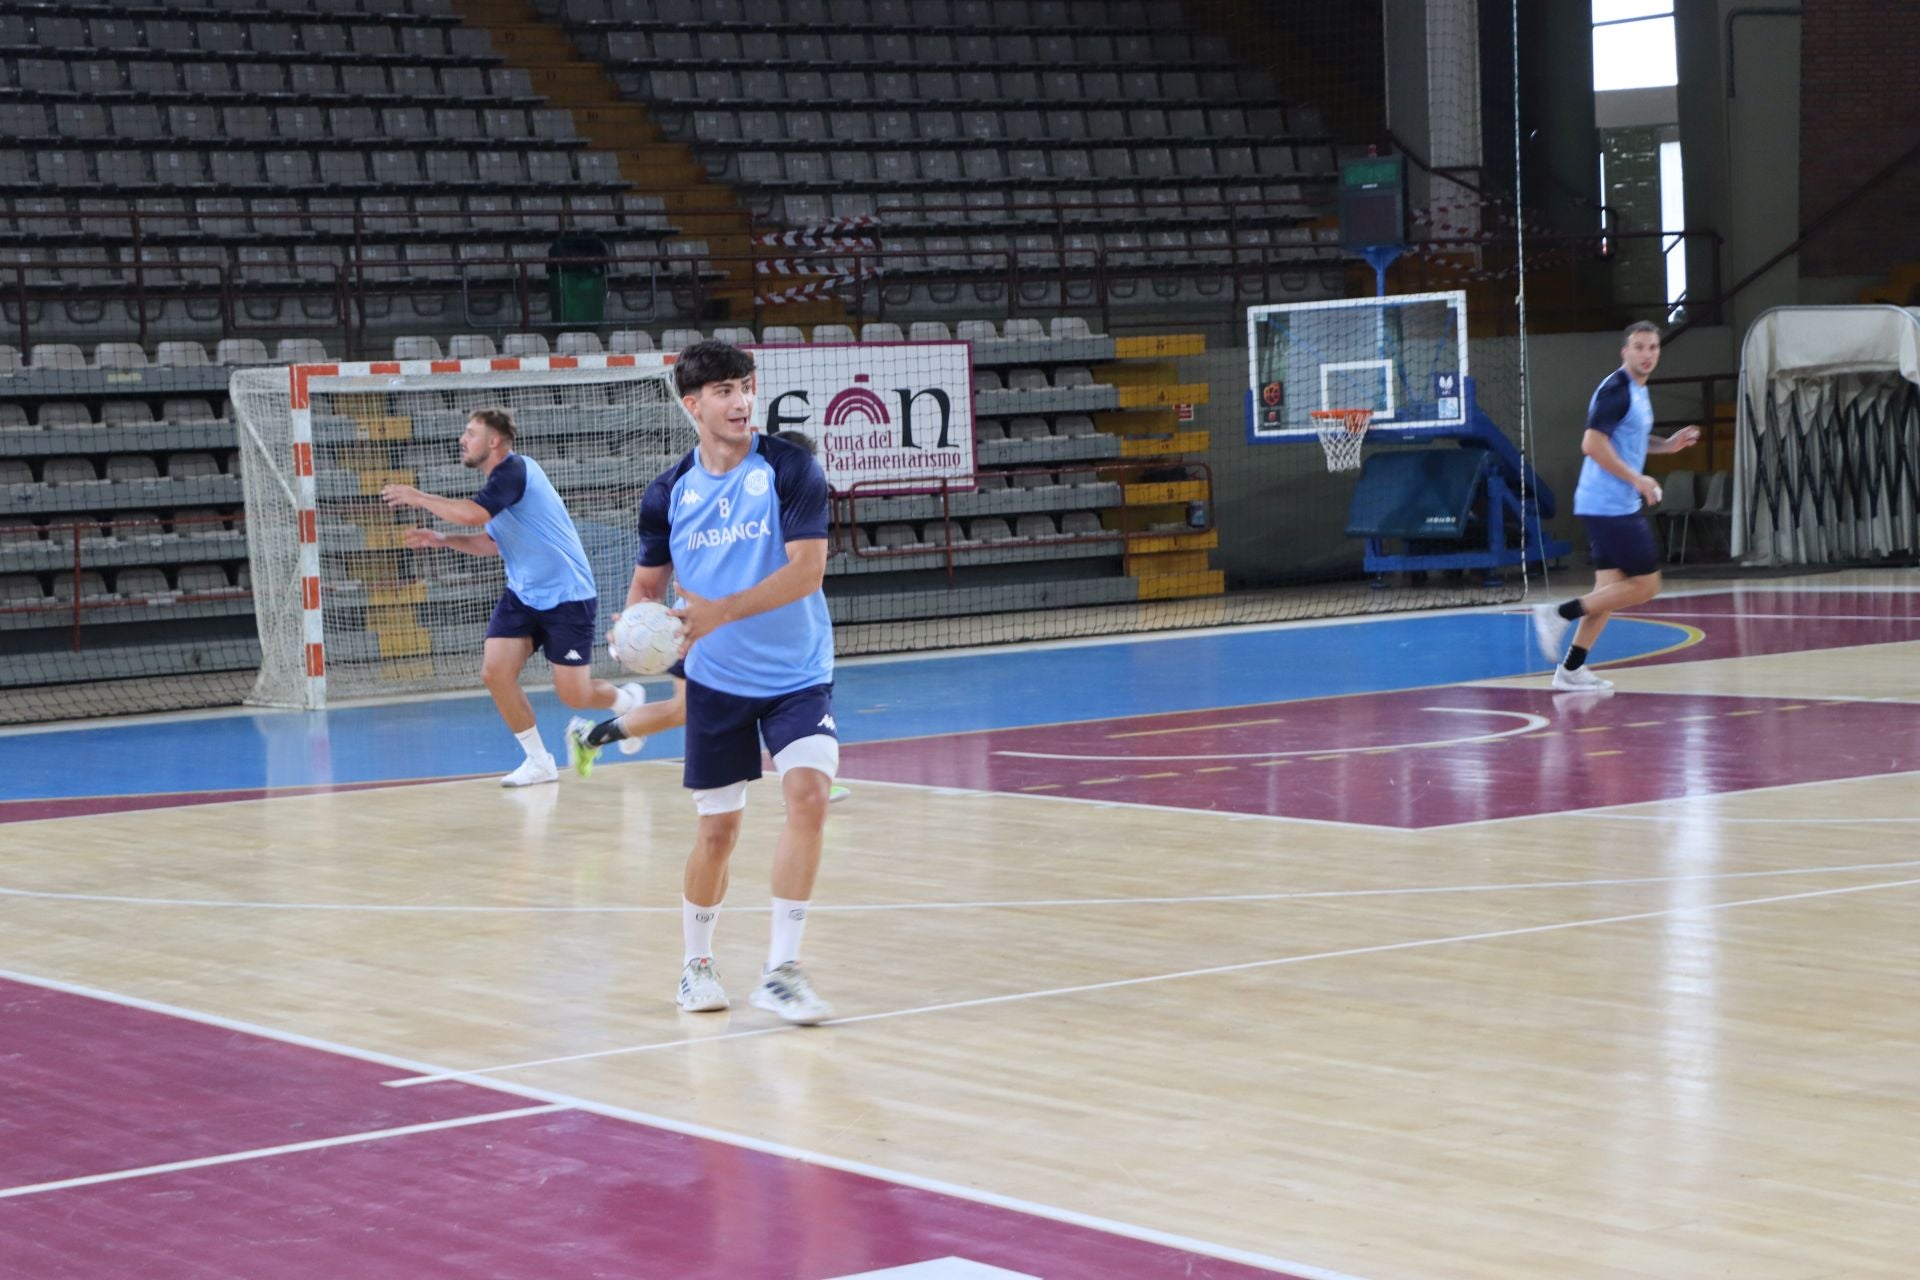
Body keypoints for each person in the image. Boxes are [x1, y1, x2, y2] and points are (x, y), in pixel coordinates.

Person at [623, 342, 840, 1025]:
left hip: (798, 672)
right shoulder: (667, 494)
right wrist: (632, 627)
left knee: (808, 796)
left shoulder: (790, 468)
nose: (741, 401)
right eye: (723, 391)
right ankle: (696, 964)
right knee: (718, 832)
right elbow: (647, 587)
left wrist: (718, 612)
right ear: (693, 405)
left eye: (746, 386)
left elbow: (808, 572)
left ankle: (781, 969)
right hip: (716, 682)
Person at [564, 429, 850, 801]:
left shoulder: (796, 510)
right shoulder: (716, 496)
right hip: (698, 635)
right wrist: (635, 624)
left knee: (697, 707)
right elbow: (654, 580)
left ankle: (811, 773)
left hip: (762, 640)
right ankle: (590, 736)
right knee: (682, 710)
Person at [381, 407, 645, 786]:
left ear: (494, 441)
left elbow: (474, 515)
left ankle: (626, 702)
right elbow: (492, 543)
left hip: (567, 596)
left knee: (575, 694)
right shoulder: (495, 488)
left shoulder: (515, 471)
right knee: (495, 672)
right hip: (523, 594)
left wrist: (417, 497)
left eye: (471, 433)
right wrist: (442, 540)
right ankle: (539, 761)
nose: (462, 439)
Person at [1531, 322, 1701, 690]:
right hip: (1609, 504)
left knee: (1607, 593)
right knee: (1646, 585)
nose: (1647, 354)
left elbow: (1629, 439)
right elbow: (1592, 444)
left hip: (1606, 503)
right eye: (1639, 347)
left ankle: (1571, 670)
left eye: (1653, 347)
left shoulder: (1638, 391)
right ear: (1625, 352)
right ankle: (1557, 613)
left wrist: (1668, 446)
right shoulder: (1617, 389)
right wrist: (1637, 480)